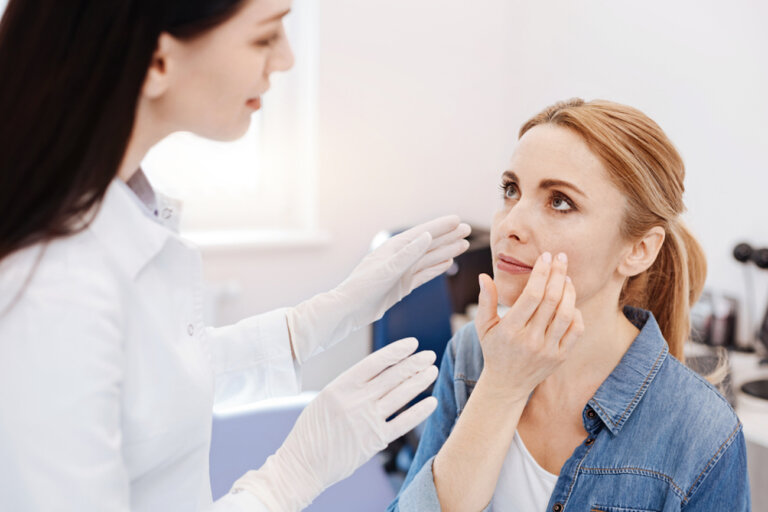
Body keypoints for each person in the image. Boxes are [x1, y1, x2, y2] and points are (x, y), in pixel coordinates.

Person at [0, 0, 471, 510]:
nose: (286, 58)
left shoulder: (115, 214)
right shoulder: (50, 290)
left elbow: (149, 389)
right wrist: (288, 479)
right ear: (158, 61)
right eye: (265, 37)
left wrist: (315, 322)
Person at [389, 99, 750, 511]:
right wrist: (500, 388)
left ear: (639, 250)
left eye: (560, 201)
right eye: (511, 190)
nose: (509, 225)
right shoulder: (472, 354)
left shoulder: (704, 434)